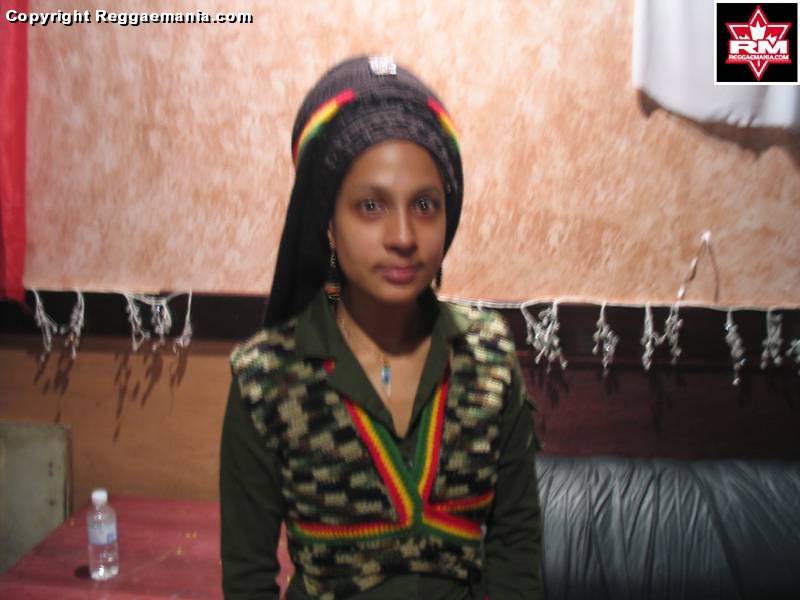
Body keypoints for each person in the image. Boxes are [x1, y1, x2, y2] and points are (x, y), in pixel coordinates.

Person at [219, 55, 542, 600]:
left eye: (425, 205)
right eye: (371, 206)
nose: (403, 236)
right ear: (328, 222)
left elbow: (517, 544)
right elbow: (248, 579)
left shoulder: (487, 359)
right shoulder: (268, 378)